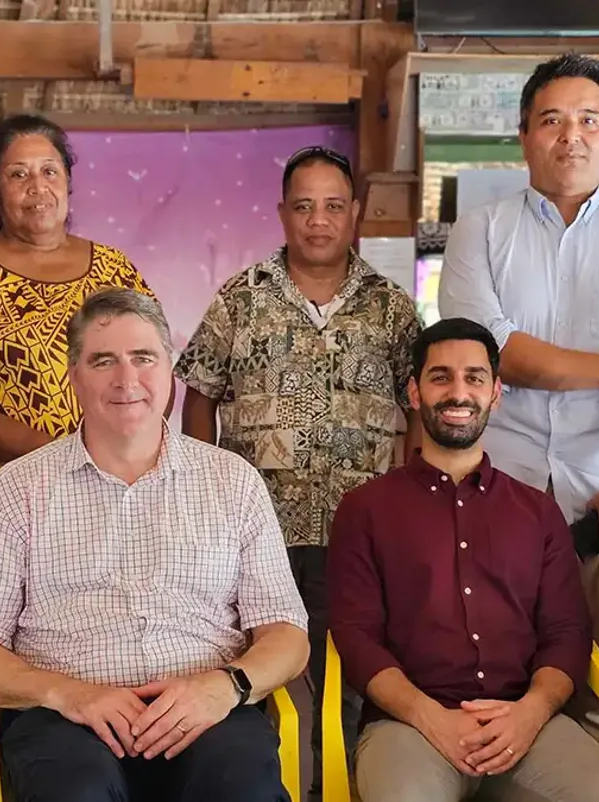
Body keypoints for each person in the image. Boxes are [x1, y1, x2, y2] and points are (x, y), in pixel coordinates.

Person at [0, 287, 309, 801]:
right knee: (75, 792)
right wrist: (67, 694)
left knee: (240, 786)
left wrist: (226, 687)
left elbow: (288, 635)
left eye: (143, 358)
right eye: (103, 360)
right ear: (75, 378)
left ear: (169, 372)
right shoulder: (17, 490)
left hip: (207, 709)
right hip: (67, 720)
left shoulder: (232, 481)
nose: (126, 379)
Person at [0, 114, 158, 800]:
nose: (35, 188)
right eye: (17, 174)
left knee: (74, 657)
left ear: (70, 184)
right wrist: (48, 454)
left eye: (49, 171)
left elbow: (148, 373)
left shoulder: (114, 270)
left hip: (94, 509)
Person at [174, 145, 422, 799]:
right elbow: (198, 391)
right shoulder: (241, 299)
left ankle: (336, 791)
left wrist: (413, 492)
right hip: (257, 536)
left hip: (360, 538)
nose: (319, 221)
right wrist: (201, 492)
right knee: (253, 683)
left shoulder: (392, 309)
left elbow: (419, 402)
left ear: (355, 214)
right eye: (304, 206)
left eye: (333, 206)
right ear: (283, 213)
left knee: (351, 684)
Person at [437, 53, 599, 647]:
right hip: (494, 484)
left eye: (588, 120)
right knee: (491, 663)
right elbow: (487, 354)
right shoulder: (478, 230)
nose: (571, 136)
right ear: (525, 135)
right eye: (552, 120)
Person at [327, 318, 599, 802]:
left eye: (474, 378)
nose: (458, 392)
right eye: (440, 377)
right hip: (409, 727)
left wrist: (531, 712)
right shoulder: (364, 509)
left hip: (526, 724)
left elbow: (566, 633)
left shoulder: (537, 512)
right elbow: (355, 636)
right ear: (414, 392)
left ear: (495, 393)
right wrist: (431, 717)